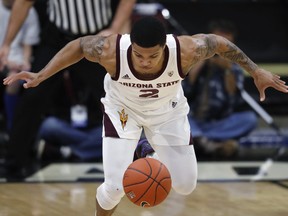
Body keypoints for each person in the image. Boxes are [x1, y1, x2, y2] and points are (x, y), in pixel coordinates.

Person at [3, 16, 288, 215]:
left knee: (186, 186)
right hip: (123, 112)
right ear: (132, 46)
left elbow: (219, 43)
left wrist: (256, 71)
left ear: (164, 46)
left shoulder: (186, 50)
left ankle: (146, 150)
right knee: (114, 187)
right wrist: (42, 75)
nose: (145, 61)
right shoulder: (111, 50)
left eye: (152, 56)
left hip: (168, 114)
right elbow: (78, 46)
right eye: (139, 55)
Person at [0, 0, 136, 178]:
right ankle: (13, 162)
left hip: (97, 39)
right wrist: (7, 43)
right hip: (58, 38)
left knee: (117, 101)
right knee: (33, 95)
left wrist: (115, 27)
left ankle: (135, 159)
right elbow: (24, 2)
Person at [183, 19, 258, 158]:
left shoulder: (234, 68)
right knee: (180, 118)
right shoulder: (194, 59)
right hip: (194, 118)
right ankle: (212, 144)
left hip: (219, 123)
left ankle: (201, 141)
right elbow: (186, 90)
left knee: (250, 119)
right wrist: (201, 62)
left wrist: (227, 70)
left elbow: (232, 98)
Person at [0, 0, 40, 130]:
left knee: (13, 81)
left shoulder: (29, 11)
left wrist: (25, 62)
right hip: (3, 58)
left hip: (16, 62)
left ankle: (12, 127)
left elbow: (27, 45)